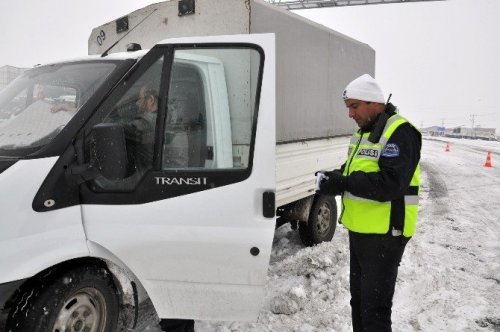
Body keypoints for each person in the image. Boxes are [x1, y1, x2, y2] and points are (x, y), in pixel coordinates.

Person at [316, 74, 421, 331]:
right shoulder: (364, 132)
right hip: (362, 232)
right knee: (360, 302)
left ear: (374, 103)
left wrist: (345, 183)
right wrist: (334, 178)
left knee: (374, 310)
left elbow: (390, 184)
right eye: (348, 107)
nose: (350, 114)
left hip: (386, 234)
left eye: (354, 106)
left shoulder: (401, 132)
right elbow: (353, 171)